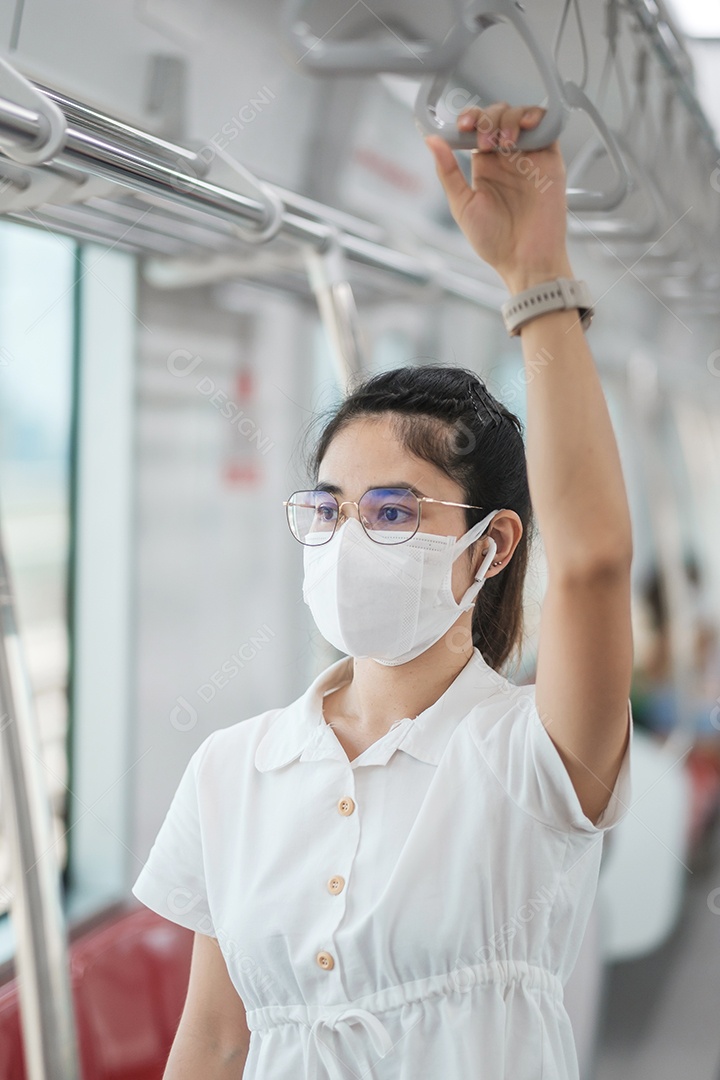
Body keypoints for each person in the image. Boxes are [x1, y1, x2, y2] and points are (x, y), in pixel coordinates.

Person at [131, 102, 634, 1080]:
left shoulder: (532, 757)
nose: (352, 539)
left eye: (395, 513)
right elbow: (217, 1039)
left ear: (490, 546)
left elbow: (593, 564)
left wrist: (536, 279)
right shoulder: (232, 771)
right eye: (331, 508)